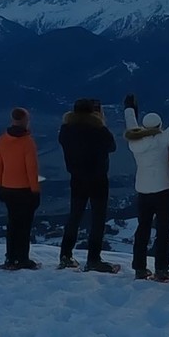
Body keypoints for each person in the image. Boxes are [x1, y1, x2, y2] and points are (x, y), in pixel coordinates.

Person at [123, 89, 169, 282]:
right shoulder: (162, 140)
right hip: (162, 190)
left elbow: (131, 123)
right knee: (163, 230)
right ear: (159, 126)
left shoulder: (134, 141)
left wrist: (129, 108)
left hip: (143, 190)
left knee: (143, 228)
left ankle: (139, 267)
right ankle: (161, 269)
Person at [58, 98, 118, 272]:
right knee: (98, 219)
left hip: (76, 178)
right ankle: (93, 258)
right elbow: (112, 146)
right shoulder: (99, 130)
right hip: (98, 179)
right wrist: (102, 122)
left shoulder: (66, 129)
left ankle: (65, 254)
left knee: (74, 216)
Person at [0, 107, 41, 271]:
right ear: (24, 120)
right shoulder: (27, 142)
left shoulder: (2, 140)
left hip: (7, 187)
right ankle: (22, 258)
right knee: (24, 225)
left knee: (12, 223)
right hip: (24, 189)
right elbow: (31, 168)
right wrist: (35, 191)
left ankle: (10, 257)